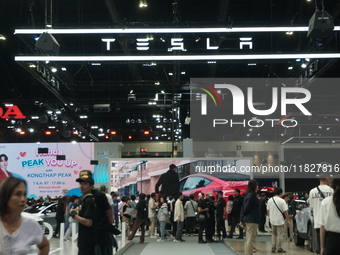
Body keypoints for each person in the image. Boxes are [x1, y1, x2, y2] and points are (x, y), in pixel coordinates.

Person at [0, 177, 49, 255]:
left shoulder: (30, 224)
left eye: (24, 194)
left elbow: (44, 245)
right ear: (5, 196)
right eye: (17, 194)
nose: (23, 199)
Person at [71, 170, 98, 255]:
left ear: (91, 186)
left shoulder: (89, 200)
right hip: (85, 241)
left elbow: (88, 222)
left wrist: (74, 215)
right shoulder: (84, 200)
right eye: (81, 183)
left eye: (85, 184)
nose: (81, 186)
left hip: (88, 242)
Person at [309, 173, 333, 254]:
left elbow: (311, 207)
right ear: (327, 178)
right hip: (330, 223)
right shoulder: (331, 190)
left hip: (318, 223)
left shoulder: (312, 192)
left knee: (321, 247)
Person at [320, 176, 340, 255]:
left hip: (331, 240)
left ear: (331, 186)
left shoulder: (325, 202)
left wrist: (322, 247)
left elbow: (322, 226)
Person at [240, 179, 260, 255]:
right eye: (257, 185)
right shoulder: (251, 196)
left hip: (249, 219)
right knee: (250, 239)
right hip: (252, 219)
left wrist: (242, 218)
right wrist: (243, 216)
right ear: (254, 186)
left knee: (248, 239)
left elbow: (243, 208)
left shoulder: (248, 195)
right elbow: (246, 208)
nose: (258, 187)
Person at [91, 185, 113, 255]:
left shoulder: (94, 196)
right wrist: (111, 222)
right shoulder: (108, 196)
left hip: (97, 226)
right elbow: (110, 209)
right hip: (104, 222)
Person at [267, 187, 290, 253]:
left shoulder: (270, 200)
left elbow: (268, 210)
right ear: (280, 193)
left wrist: (270, 217)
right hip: (280, 220)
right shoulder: (282, 201)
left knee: (273, 234)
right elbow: (285, 212)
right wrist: (288, 220)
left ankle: (273, 247)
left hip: (272, 220)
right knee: (280, 234)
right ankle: (279, 248)